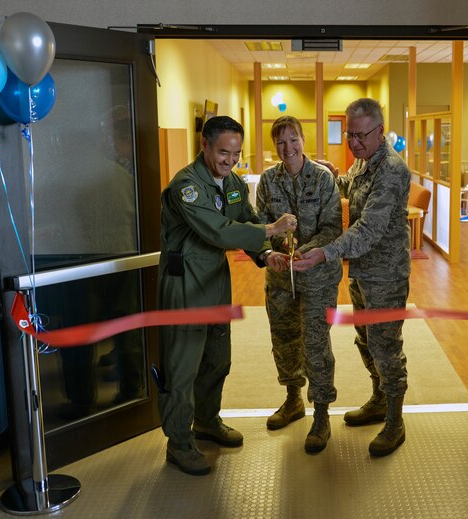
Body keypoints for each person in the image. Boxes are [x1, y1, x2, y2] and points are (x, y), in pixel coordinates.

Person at [157, 115, 296, 476]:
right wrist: (272, 228)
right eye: (223, 153)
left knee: (217, 357)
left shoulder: (232, 182)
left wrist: (267, 253)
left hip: (215, 279)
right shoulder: (186, 186)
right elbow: (218, 231)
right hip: (185, 282)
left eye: (235, 154)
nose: (230, 161)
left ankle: (206, 422)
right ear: (204, 145)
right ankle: (179, 442)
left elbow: (245, 219)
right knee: (183, 365)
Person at [293, 98, 411, 457]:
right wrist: (335, 175)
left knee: (386, 348)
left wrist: (325, 252)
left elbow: (368, 228)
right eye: (349, 134)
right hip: (362, 272)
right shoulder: (365, 161)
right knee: (365, 340)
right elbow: (353, 189)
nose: (353, 142)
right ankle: (378, 399)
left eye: (360, 135)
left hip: (386, 275)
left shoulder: (391, 168)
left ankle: (395, 420)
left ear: (379, 131)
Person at [256, 116, 343, 453]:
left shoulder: (322, 179)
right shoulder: (267, 180)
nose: (287, 148)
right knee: (284, 338)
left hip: (317, 275)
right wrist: (267, 253)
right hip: (280, 276)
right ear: (274, 145)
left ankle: (321, 414)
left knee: (315, 343)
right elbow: (258, 224)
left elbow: (333, 227)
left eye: (293, 140)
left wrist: (303, 253)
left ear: (303, 140)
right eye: (280, 142)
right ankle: (293, 399)